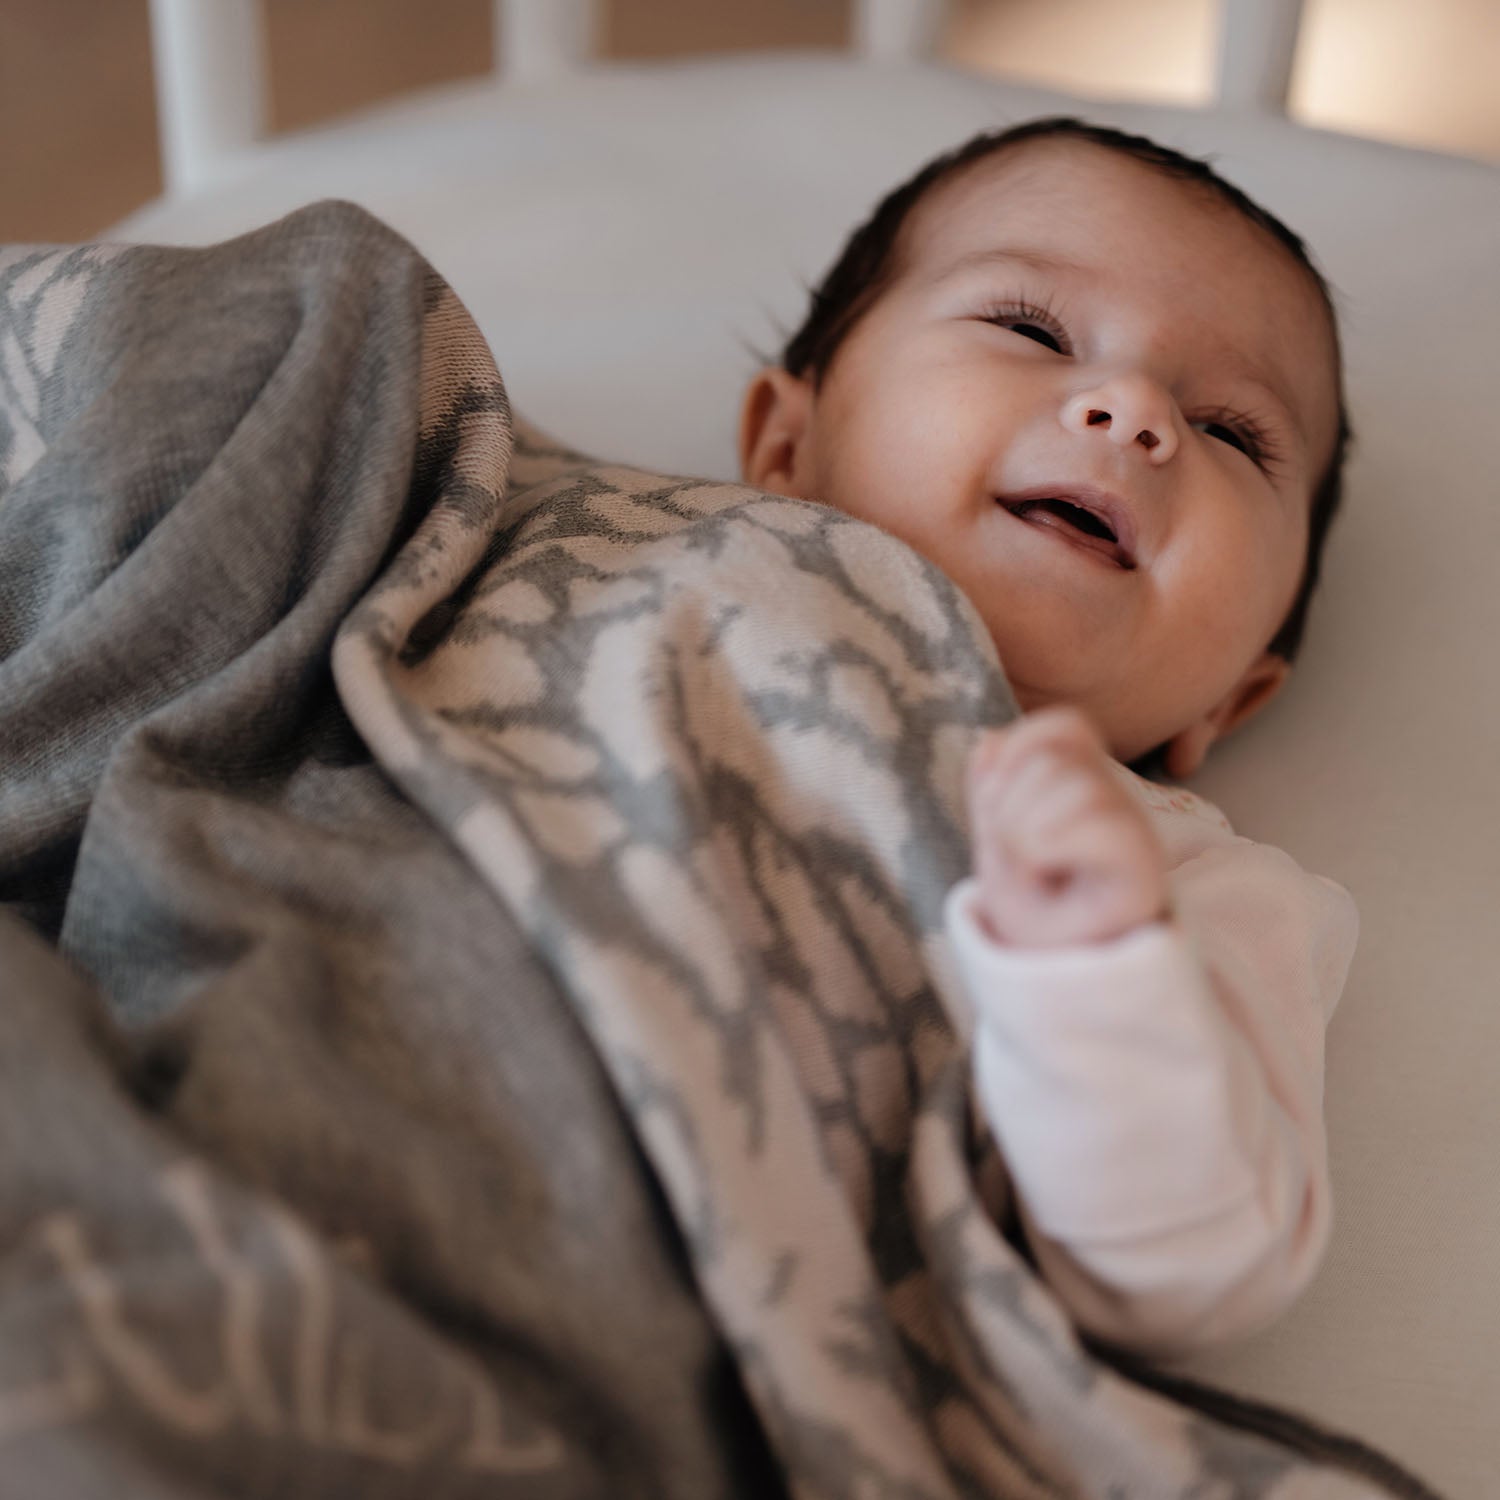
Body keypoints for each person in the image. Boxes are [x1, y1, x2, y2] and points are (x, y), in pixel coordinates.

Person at [736, 118, 1358, 1358]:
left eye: (1234, 432)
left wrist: (1095, 974)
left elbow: (1201, 1270)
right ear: (786, 449)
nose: (1132, 412)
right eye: (1031, 330)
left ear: (1225, 701)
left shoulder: (1176, 888)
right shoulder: (592, 543)